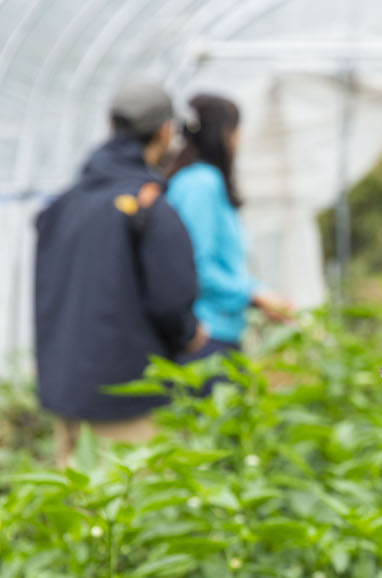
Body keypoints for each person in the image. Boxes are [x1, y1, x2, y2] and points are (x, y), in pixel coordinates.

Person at [34, 82, 208, 467]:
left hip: (66, 392)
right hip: (125, 397)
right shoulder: (149, 206)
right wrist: (188, 334)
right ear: (165, 131)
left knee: (76, 497)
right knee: (130, 497)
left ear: (112, 125)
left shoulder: (63, 205)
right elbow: (172, 298)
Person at [165, 93, 293, 369]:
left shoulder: (197, 181)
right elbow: (196, 267)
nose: (239, 139)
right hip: (204, 336)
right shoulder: (202, 184)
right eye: (236, 130)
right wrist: (255, 294)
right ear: (224, 134)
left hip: (216, 332)